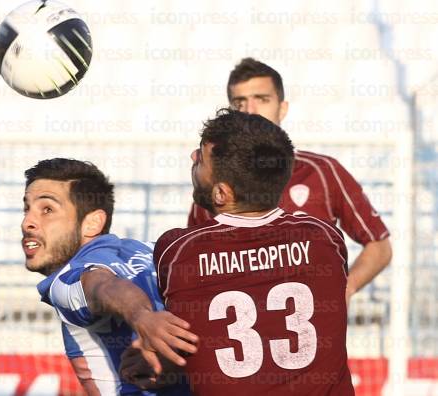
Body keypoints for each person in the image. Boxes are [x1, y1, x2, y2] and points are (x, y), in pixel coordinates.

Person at [151, 109, 355, 394]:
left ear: (221, 194)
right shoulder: (326, 238)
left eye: (201, 157)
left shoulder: (177, 250)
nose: (192, 158)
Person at [188, 58, 392, 304]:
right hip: (237, 326)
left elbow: (379, 246)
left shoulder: (323, 171)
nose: (250, 110)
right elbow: (194, 258)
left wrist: (344, 289)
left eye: (262, 99)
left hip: (309, 332)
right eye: (239, 102)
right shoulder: (212, 180)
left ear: (282, 108)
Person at [21, 158, 196, 396]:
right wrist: (186, 362)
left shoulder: (64, 282)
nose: (27, 223)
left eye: (47, 210)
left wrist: (142, 317)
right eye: (26, 209)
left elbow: (100, 286)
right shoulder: (156, 251)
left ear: (92, 223)